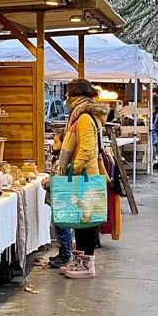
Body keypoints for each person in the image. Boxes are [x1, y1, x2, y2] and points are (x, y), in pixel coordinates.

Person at [49, 79, 107, 279]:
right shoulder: (84, 116)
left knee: (86, 221)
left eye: (68, 94)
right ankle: (79, 260)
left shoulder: (83, 118)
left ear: (75, 95)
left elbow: (87, 149)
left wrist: (73, 170)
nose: (65, 98)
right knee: (81, 220)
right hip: (88, 174)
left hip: (86, 177)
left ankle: (87, 265)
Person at [47, 130, 74, 268]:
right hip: (59, 199)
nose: (53, 144)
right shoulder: (58, 160)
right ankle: (63, 252)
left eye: (56, 142)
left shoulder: (61, 162)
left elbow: (58, 181)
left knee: (61, 228)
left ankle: (65, 254)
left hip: (61, 200)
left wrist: (47, 183)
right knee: (60, 227)